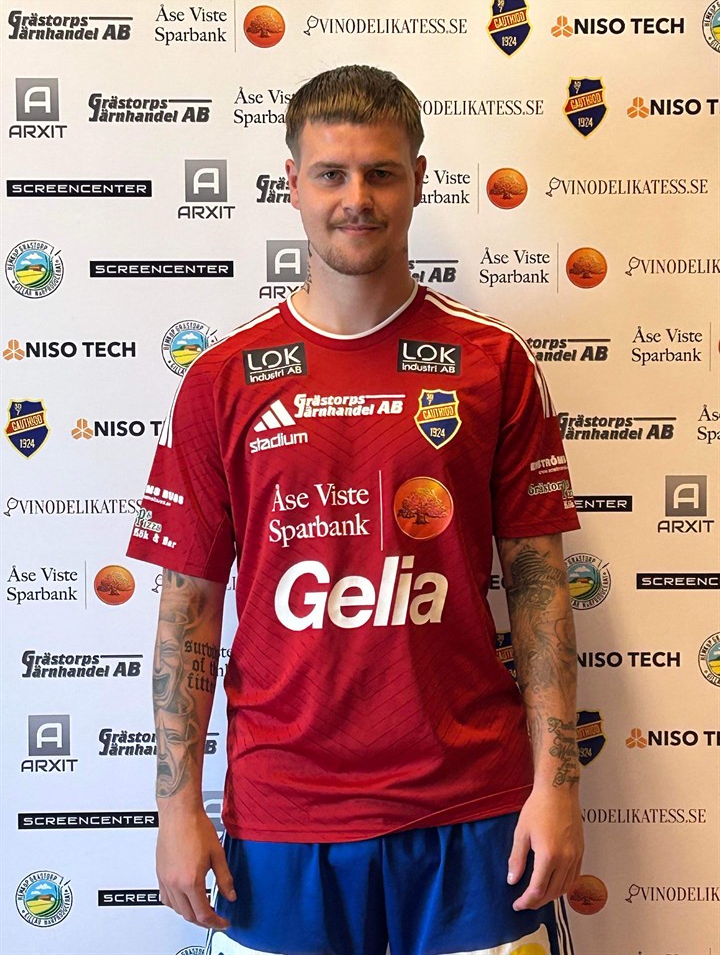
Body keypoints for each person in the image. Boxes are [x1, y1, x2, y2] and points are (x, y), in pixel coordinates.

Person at [128, 64, 583, 955]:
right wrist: (176, 808)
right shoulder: (222, 380)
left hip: (473, 809)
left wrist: (559, 784)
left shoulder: (490, 362)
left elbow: (539, 587)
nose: (357, 199)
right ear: (292, 183)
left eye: (381, 173)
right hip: (282, 816)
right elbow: (188, 605)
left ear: (419, 179)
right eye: (331, 174)